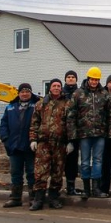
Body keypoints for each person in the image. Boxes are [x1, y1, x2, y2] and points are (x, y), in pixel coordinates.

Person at [67, 67, 111, 199]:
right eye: (92, 79)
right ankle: (86, 189)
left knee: (98, 161)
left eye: (96, 80)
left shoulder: (104, 94)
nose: (94, 82)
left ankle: (96, 189)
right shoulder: (78, 94)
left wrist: (110, 133)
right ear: (88, 79)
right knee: (85, 162)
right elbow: (71, 115)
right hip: (84, 134)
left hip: (100, 134)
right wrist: (72, 135)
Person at [29, 78, 71, 211]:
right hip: (43, 143)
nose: (56, 88)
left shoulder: (67, 103)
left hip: (60, 144)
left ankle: (54, 198)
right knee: (40, 172)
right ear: (50, 88)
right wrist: (33, 139)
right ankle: (38, 199)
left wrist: (70, 141)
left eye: (58, 86)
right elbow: (34, 122)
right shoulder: (41, 104)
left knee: (57, 172)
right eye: (54, 86)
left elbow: (70, 124)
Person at [0, 82, 39, 208]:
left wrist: (36, 140)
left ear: (31, 93)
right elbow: (3, 124)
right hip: (14, 146)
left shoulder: (36, 106)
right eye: (22, 92)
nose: (25, 94)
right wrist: (5, 139)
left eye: (27, 91)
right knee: (15, 173)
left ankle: (33, 198)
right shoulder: (10, 107)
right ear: (19, 93)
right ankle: (15, 198)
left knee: (32, 173)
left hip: (30, 146)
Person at [62, 70, 80, 196]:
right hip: (60, 133)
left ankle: (71, 187)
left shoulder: (80, 93)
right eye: (68, 77)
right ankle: (55, 187)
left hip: (75, 134)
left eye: (73, 77)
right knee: (58, 162)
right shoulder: (60, 93)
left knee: (72, 162)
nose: (70, 79)